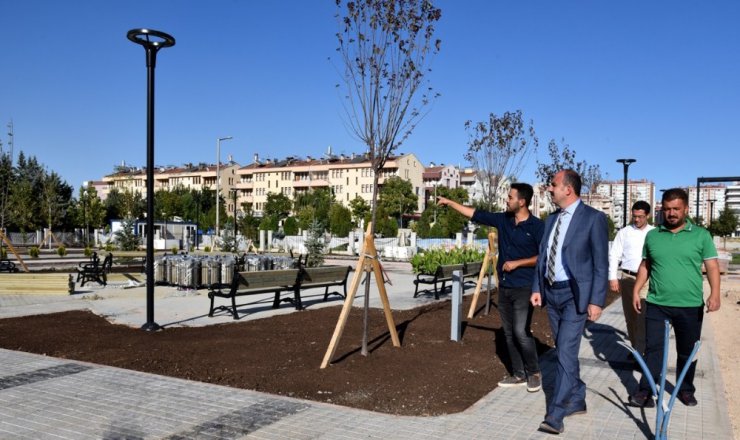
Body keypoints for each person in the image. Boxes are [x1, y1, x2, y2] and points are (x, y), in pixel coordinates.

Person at [437, 183, 544, 393]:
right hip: (504, 286)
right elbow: (476, 214)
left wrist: (518, 263)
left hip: (524, 287)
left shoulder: (537, 227)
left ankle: (534, 373)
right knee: (508, 332)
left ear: (521, 202)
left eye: (510, 197)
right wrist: (450, 203)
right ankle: (518, 374)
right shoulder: (503, 220)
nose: (507, 199)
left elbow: (543, 257)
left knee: (520, 331)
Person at [530, 169, 608, 435]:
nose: (549, 189)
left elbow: (601, 263)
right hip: (551, 294)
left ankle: (556, 413)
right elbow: (542, 257)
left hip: (576, 296)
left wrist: (597, 301)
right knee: (564, 351)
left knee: (564, 351)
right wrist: (537, 287)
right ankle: (577, 397)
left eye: (553, 185)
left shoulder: (593, 219)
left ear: (568, 189)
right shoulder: (551, 219)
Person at [628, 188, 721, 408]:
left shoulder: (701, 235)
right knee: (653, 350)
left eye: (676, 209)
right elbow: (645, 265)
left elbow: (712, 266)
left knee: (687, 351)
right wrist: (636, 290)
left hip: (689, 305)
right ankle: (645, 391)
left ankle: (685, 389)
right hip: (657, 303)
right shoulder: (653, 236)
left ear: (686, 209)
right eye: (667, 209)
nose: (671, 213)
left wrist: (715, 294)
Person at [608, 201, 655, 357]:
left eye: (640, 217)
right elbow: (614, 254)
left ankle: (644, 351)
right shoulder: (624, 232)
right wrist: (613, 278)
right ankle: (636, 349)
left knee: (643, 316)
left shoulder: (654, 233)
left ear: (647, 215)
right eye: (634, 216)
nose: (636, 220)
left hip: (647, 280)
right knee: (630, 317)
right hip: (628, 278)